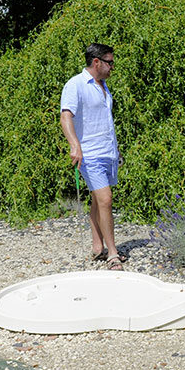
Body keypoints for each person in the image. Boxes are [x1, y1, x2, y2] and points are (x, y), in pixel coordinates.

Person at [60, 43, 125, 269]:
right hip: (90, 154)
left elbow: (104, 121)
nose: (112, 67)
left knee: (99, 201)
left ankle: (98, 246)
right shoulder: (76, 85)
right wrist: (74, 145)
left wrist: (116, 149)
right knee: (106, 199)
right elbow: (65, 116)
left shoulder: (104, 86)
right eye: (109, 62)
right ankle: (113, 254)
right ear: (96, 62)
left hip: (107, 152)